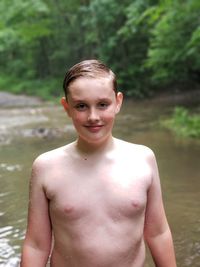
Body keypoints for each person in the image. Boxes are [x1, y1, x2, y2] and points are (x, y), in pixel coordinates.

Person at [20, 59, 177, 267]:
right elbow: (36, 245)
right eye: (81, 106)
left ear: (118, 102)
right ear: (66, 107)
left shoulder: (143, 159)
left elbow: (158, 233)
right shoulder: (46, 167)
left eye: (103, 104)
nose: (93, 117)